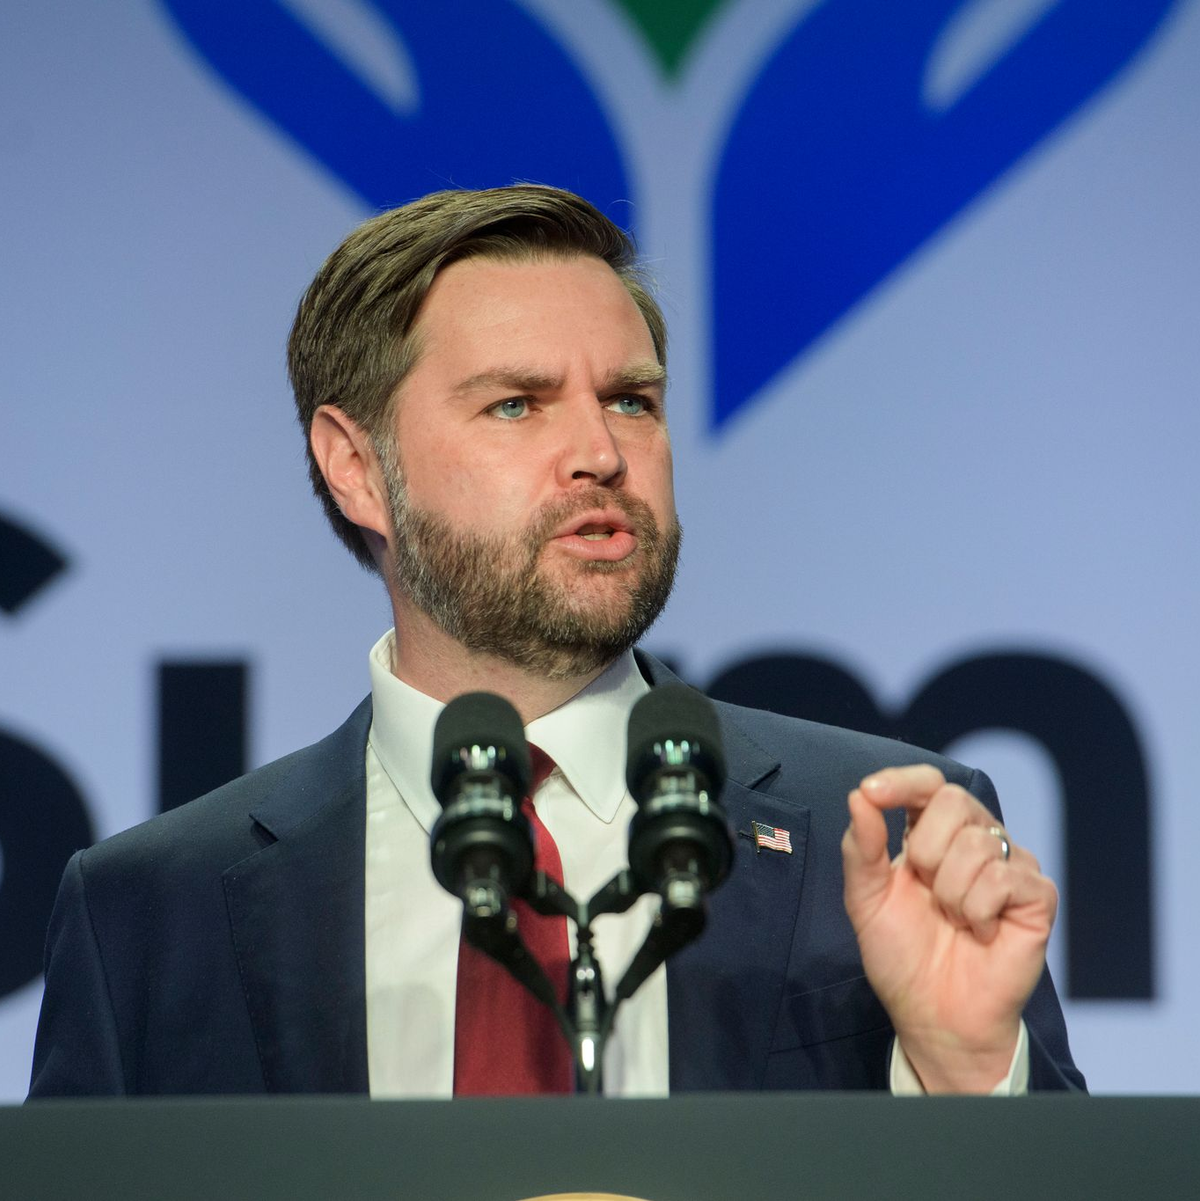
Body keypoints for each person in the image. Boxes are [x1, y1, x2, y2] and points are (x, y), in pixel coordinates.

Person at [28, 185, 1082, 1098]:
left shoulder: (881, 840)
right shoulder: (151, 916)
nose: (601, 453)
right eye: (517, 405)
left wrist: (968, 1075)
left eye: (632, 400)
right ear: (356, 467)